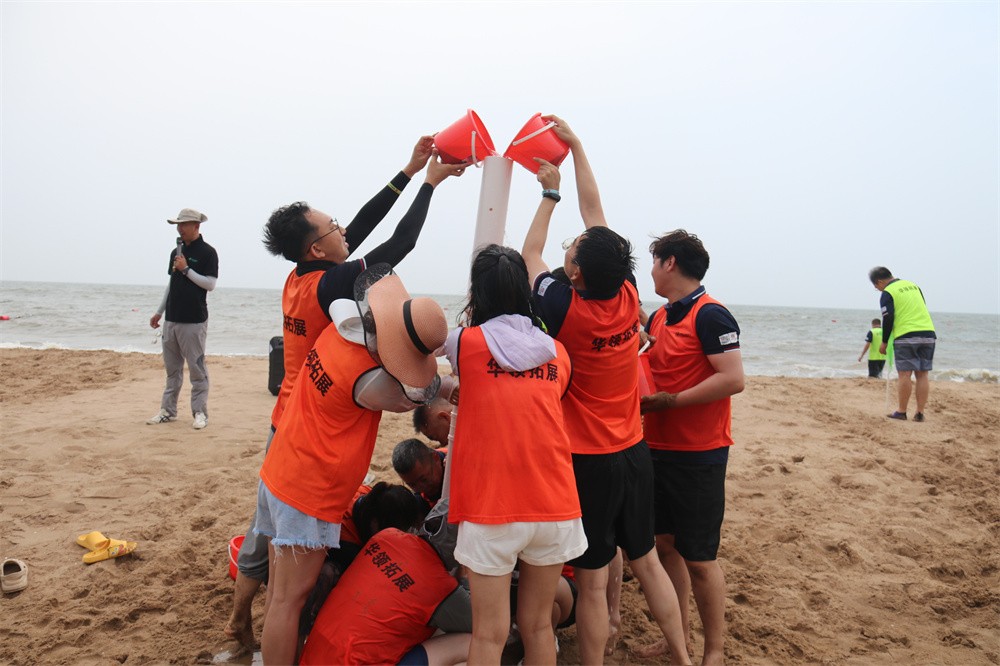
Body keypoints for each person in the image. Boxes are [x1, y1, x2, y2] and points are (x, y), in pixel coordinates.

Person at [224, 140, 464, 649]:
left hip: (289, 415)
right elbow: (399, 243)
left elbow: (359, 227)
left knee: (265, 532)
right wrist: (430, 184)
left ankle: (239, 619)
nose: (343, 231)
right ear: (318, 249)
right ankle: (258, 625)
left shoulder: (300, 276)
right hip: (313, 427)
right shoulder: (329, 287)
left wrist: (408, 169)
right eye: (332, 228)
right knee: (282, 562)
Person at [521, 116, 691, 665]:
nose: (572, 246)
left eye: (573, 250)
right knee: (647, 562)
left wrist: (549, 195)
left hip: (588, 460)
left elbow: (529, 255)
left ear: (574, 275)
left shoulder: (564, 306)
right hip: (633, 450)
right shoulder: (626, 292)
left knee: (593, 583)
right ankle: (683, 657)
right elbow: (596, 216)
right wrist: (577, 147)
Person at [255, 264, 449, 665]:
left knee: (278, 593)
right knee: (290, 601)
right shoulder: (370, 380)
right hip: (310, 491)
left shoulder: (339, 329)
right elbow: (413, 394)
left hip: (282, 468)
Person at [445, 244, 588, 665]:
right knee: (538, 625)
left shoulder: (464, 343)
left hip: (493, 507)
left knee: (489, 634)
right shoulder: (557, 352)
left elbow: (415, 352)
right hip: (555, 503)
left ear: (478, 293)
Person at [639, 230, 745, 666]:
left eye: (654, 261)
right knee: (665, 546)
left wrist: (672, 401)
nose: (651, 271)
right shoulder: (660, 317)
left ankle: (714, 650)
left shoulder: (712, 314)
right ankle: (677, 637)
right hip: (655, 447)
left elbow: (733, 378)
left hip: (700, 452)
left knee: (700, 558)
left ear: (669, 263)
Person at [299, 527, 472, 666]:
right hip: (356, 660)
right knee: (471, 641)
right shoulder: (439, 584)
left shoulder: (386, 536)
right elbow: (481, 625)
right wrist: (467, 575)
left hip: (316, 655)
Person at [147, 208, 219, 430]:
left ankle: (200, 413)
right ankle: (168, 411)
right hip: (172, 319)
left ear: (196, 226)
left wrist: (186, 269)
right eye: (178, 225)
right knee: (172, 370)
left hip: (194, 321)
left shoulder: (208, 252)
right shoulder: (175, 252)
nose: (180, 229)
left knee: (197, 369)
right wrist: (159, 312)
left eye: (183, 224)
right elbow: (172, 284)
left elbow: (210, 284)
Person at [869, 266, 936, 421]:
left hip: (906, 335)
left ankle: (901, 411)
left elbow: (888, 318)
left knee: (905, 374)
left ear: (879, 282)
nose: (877, 289)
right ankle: (920, 413)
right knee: (922, 374)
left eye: (876, 286)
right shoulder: (913, 286)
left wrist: (884, 341)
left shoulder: (888, 292)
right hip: (928, 333)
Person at [392, 437, 447, 506]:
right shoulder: (419, 498)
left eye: (424, 479)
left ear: (435, 458)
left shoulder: (457, 466)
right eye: (412, 485)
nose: (421, 489)